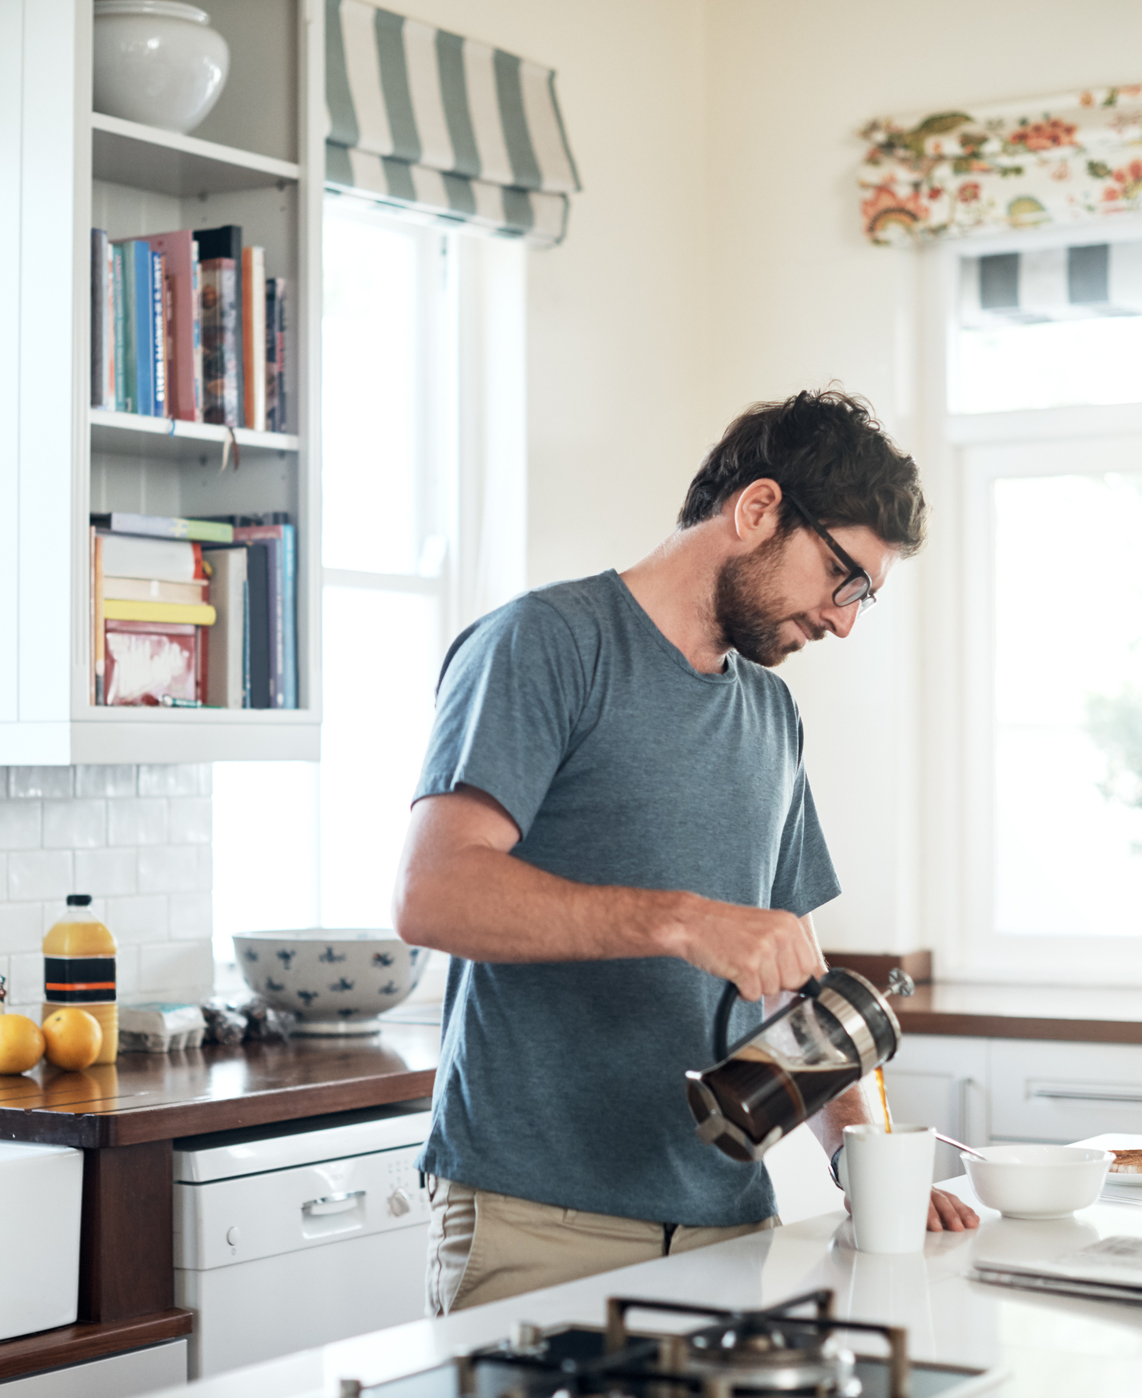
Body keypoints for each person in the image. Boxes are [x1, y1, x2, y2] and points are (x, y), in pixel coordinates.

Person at [394, 388, 980, 1316]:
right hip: (540, 1225)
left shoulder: (770, 713)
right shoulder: (544, 646)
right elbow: (433, 895)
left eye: (863, 596)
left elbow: (793, 977)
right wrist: (677, 918)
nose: (844, 622)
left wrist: (863, 1159)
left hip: (728, 1228)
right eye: (845, 581)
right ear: (757, 511)